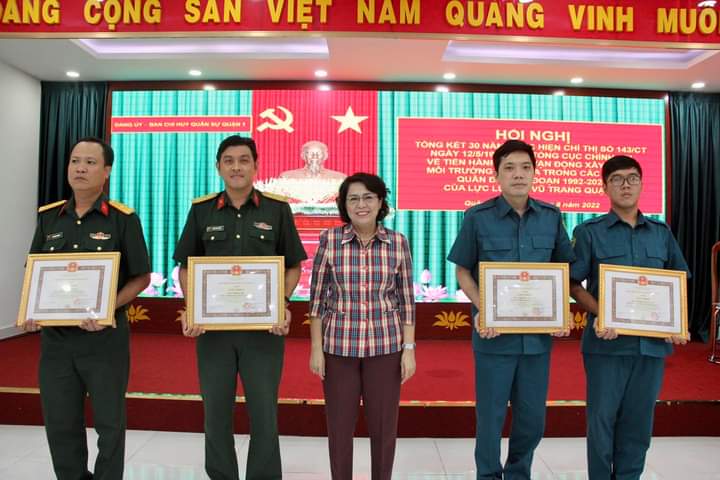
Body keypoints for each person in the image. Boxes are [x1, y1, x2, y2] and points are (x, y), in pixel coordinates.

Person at [173, 135, 307, 480]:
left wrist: (282, 303)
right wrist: (192, 307)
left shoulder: (277, 209)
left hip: (263, 332)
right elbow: (186, 266)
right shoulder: (201, 210)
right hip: (213, 332)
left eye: (244, 160)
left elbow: (293, 265)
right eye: (229, 160)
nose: (236, 167)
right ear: (218, 167)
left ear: (256, 166)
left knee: (264, 414)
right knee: (216, 413)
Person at [23, 136, 151, 480]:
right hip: (56, 341)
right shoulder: (49, 218)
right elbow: (34, 272)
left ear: (106, 171)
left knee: (109, 423)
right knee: (60, 421)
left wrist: (107, 308)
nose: (80, 168)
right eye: (75, 161)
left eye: (90, 162)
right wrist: (32, 309)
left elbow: (141, 277)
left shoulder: (122, 219)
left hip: (104, 339)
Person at [447, 140, 575, 480]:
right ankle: (488, 475)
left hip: (536, 340)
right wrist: (484, 309)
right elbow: (462, 271)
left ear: (534, 173)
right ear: (497, 175)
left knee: (532, 420)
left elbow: (563, 269)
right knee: (490, 419)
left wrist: (560, 310)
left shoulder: (551, 217)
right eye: (509, 168)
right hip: (494, 338)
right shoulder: (477, 217)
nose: (518, 174)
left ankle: (519, 473)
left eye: (525, 167)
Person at [569, 155, 689, 480]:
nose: (626, 185)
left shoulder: (661, 233)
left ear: (641, 184)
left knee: (638, 425)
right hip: (606, 345)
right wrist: (603, 313)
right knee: (601, 423)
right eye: (617, 179)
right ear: (605, 187)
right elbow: (572, 284)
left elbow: (677, 281)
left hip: (651, 347)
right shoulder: (589, 231)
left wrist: (676, 322)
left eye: (632, 178)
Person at [308, 172, 416, 480]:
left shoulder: (397, 242)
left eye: (368, 197)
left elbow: (407, 301)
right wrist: (316, 348)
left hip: (386, 346)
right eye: (353, 199)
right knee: (339, 426)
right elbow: (317, 300)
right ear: (344, 205)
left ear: (381, 202)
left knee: (384, 426)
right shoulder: (330, 240)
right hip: (338, 347)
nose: (361, 204)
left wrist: (409, 349)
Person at [279, 140, 346, 180]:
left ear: (325, 156)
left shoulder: (339, 177)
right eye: (310, 153)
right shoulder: (287, 176)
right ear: (303, 156)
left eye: (318, 153)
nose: (314, 156)